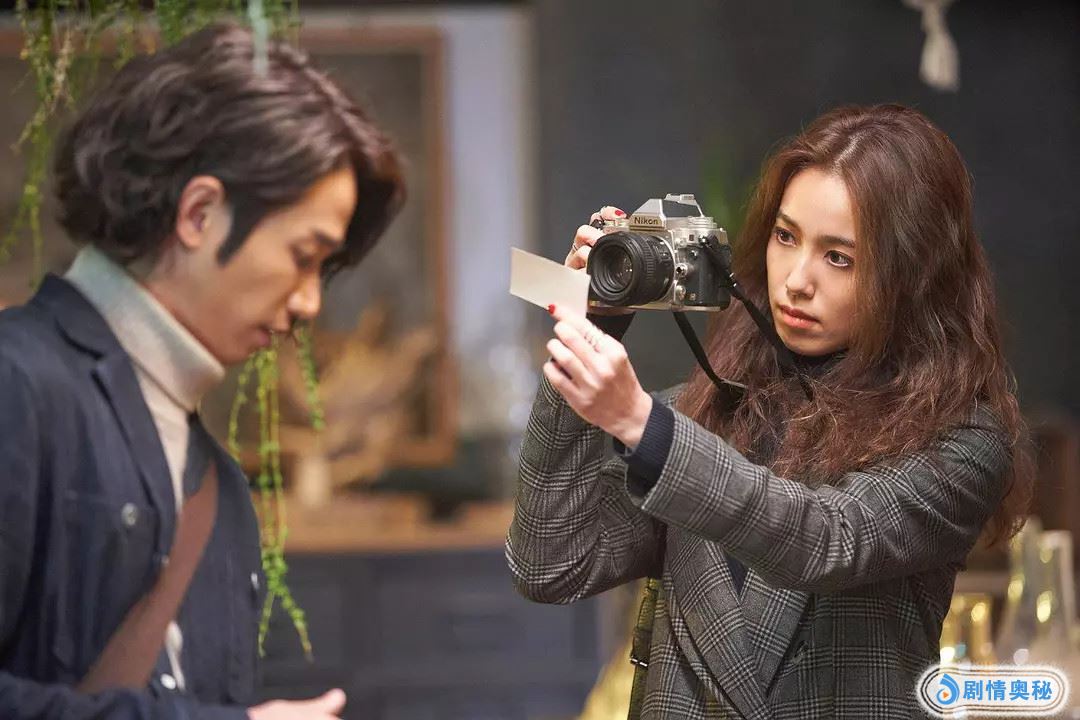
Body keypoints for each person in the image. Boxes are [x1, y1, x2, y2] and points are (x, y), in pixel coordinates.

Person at [506, 104, 1031, 719]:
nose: (796, 281)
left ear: (912, 277)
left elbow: (828, 539)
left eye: (839, 257)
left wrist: (643, 426)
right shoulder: (706, 410)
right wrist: (590, 329)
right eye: (786, 237)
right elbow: (551, 565)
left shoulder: (963, 441)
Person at [0, 23, 403, 720]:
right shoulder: (17, 382)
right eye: (303, 256)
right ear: (199, 213)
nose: (310, 303)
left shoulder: (216, 480)